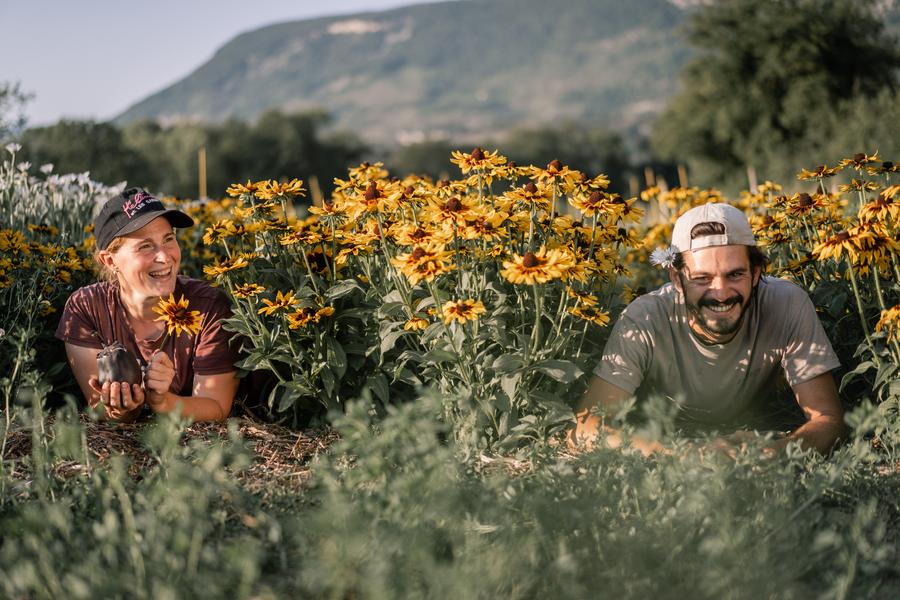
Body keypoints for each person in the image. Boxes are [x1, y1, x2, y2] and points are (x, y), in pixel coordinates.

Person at [571, 203, 847, 456]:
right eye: (702, 278)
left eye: (735, 274)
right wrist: (687, 454)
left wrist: (774, 453)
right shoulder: (645, 319)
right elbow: (585, 428)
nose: (721, 293)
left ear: (757, 273)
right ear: (677, 279)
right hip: (663, 429)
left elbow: (828, 418)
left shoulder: (787, 303)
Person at [56, 188, 240, 422]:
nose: (164, 256)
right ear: (110, 260)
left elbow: (216, 406)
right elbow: (101, 408)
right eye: (145, 246)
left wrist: (163, 402)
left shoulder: (208, 307)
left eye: (169, 239)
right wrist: (124, 410)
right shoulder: (87, 309)